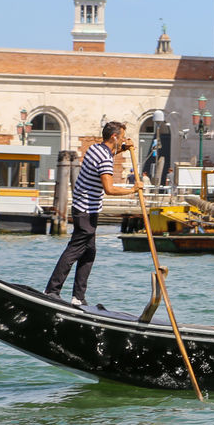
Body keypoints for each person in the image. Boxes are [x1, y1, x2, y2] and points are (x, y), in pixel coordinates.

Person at [45, 121, 141, 306]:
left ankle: (78, 297)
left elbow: (109, 154)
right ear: (114, 136)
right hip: (86, 211)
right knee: (74, 250)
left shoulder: (95, 149)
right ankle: (52, 290)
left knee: (89, 252)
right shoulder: (105, 158)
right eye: (121, 137)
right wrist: (133, 189)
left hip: (84, 208)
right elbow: (109, 189)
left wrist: (123, 149)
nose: (122, 139)